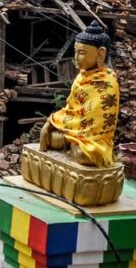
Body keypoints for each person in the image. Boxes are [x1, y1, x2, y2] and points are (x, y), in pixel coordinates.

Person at [40, 20, 120, 168]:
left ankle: (75, 145)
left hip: (95, 139)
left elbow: (93, 118)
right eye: (75, 52)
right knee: (52, 139)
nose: (76, 57)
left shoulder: (107, 81)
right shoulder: (81, 77)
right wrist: (50, 123)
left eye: (82, 53)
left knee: (85, 156)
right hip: (75, 131)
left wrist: (57, 125)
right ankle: (71, 143)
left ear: (100, 54)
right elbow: (72, 109)